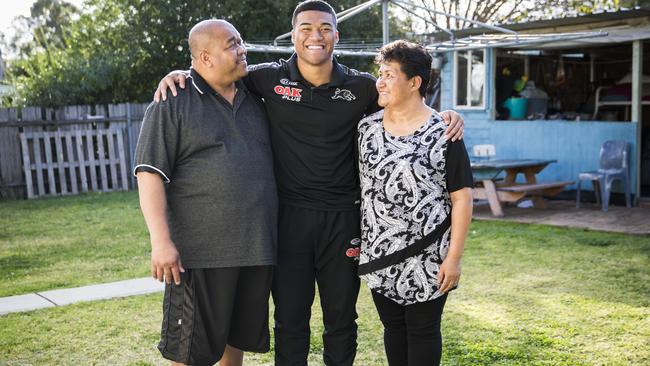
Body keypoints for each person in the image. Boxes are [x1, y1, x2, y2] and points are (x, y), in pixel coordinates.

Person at [154, 2, 465, 364]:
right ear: (293, 35)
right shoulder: (266, 78)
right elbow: (216, 70)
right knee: (289, 320)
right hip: (289, 220)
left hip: (343, 220)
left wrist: (448, 114)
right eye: (305, 28)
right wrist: (180, 73)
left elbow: (405, 103)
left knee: (341, 320)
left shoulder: (362, 87)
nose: (315, 35)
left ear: (337, 35)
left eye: (324, 28)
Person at [135, 19, 277, 366]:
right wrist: (161, 242)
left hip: (255, 248)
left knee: (236, 342)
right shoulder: (172, 101)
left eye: (241, 41)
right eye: (231, 44)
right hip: (201, 255)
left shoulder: (256, 95)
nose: (242, 49)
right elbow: (149, 174)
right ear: (205, 57)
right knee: (189, 352)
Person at [356, 40, 474, 366]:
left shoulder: (445, 132)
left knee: (422, 330)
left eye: (389, 74)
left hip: (430, 256)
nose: (379, 81)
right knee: (392, 328)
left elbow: (462, 198)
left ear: (414, 82)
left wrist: (454, 259)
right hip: (380, 252)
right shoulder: (365, 128)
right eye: (379, 73)